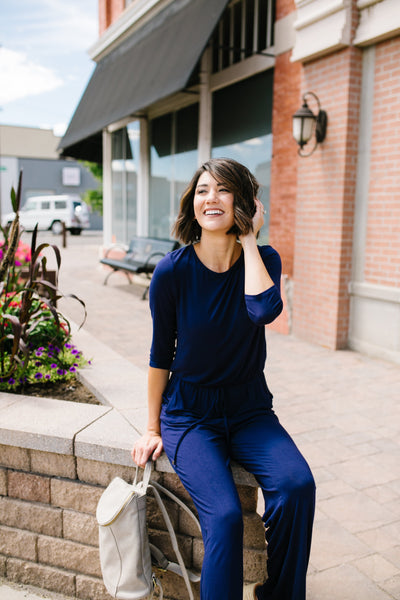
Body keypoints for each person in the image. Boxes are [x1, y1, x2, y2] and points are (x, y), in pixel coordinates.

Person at [131, 158, 315, 600]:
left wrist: (250, 240)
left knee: (297, 486)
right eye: (202, 190)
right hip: (190, 415)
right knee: (226, 517)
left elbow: (262, 311)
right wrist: (152, 426)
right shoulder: (172, 271)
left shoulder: (264, 259)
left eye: (223, 190)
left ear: (245, 202)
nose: (210, 198)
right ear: (191, 203)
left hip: (251, 411)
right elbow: (160, 356)